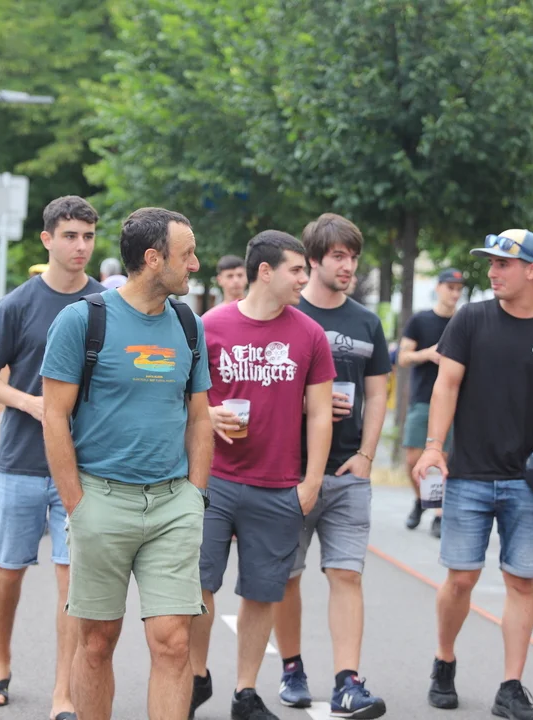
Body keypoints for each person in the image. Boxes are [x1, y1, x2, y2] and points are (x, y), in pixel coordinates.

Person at [41, 207, 213, 720]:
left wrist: (195, 496)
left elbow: (199, 417)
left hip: (173, 504)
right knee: (96, 642)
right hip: (100, 500)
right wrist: (77, 504)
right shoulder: (81, 321)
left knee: (174, 642)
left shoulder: (189, 324)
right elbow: (54, 416)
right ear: (153, 258)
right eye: (187, 255)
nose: (195, 265)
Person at [413, 228, 533, 720]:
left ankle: (510, 687)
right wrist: (434, 448)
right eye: (491, 263)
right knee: (461, 579)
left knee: (521, 582)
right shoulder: (471, 318)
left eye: (503, 264)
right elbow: (446, 385)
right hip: (468, 473)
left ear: (532, 270)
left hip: (529, 482)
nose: (492, 272)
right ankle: (444, 660)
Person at [190, 230, 335, 720]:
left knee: (262, 590)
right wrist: (207, 414)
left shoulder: (309, 334)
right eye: (296, 270)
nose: (304, 278)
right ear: (266, 271)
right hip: (212, 479)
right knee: (198, 586)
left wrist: (311, 481)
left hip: (278, 485)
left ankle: (245, 692)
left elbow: (320, 413)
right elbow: (184, 399)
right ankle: (195, 676)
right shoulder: (210, 325)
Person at [0, 196, 104, 713]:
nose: (80, 246)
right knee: (8, 570)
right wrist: (27, 401)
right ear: (47, 239)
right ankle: (0, 662)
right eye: (70, 236)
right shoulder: (18, 304)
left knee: (74, 580)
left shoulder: (106, 304)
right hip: (21, 462)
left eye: (88, 236)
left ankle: (63, 690)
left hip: (84, 467)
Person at [271, 214, 390, 718]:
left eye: (353, 257)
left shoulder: (366, 322)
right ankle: (292, 669)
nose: (349, 266)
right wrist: (306, 405)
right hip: (289, 472)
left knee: (346, 575)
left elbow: (378, 393)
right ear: (313, 260)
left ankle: (348, 683)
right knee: (287, 577)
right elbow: (266, 387)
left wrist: (366, 456)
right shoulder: (287, 315)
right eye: (339, 256)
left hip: (347, 473)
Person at [399, 268, 464, 535]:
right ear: (438, 288)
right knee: (412, 458)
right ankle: (421, 499)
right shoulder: (420, 320)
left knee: (442, 459)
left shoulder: (463, 321)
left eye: (458, 289)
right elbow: (402, 357)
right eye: (450, 287)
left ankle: (439, 512)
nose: (454, 293)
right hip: (422, 399)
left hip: (453, 402)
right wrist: (427, 354)